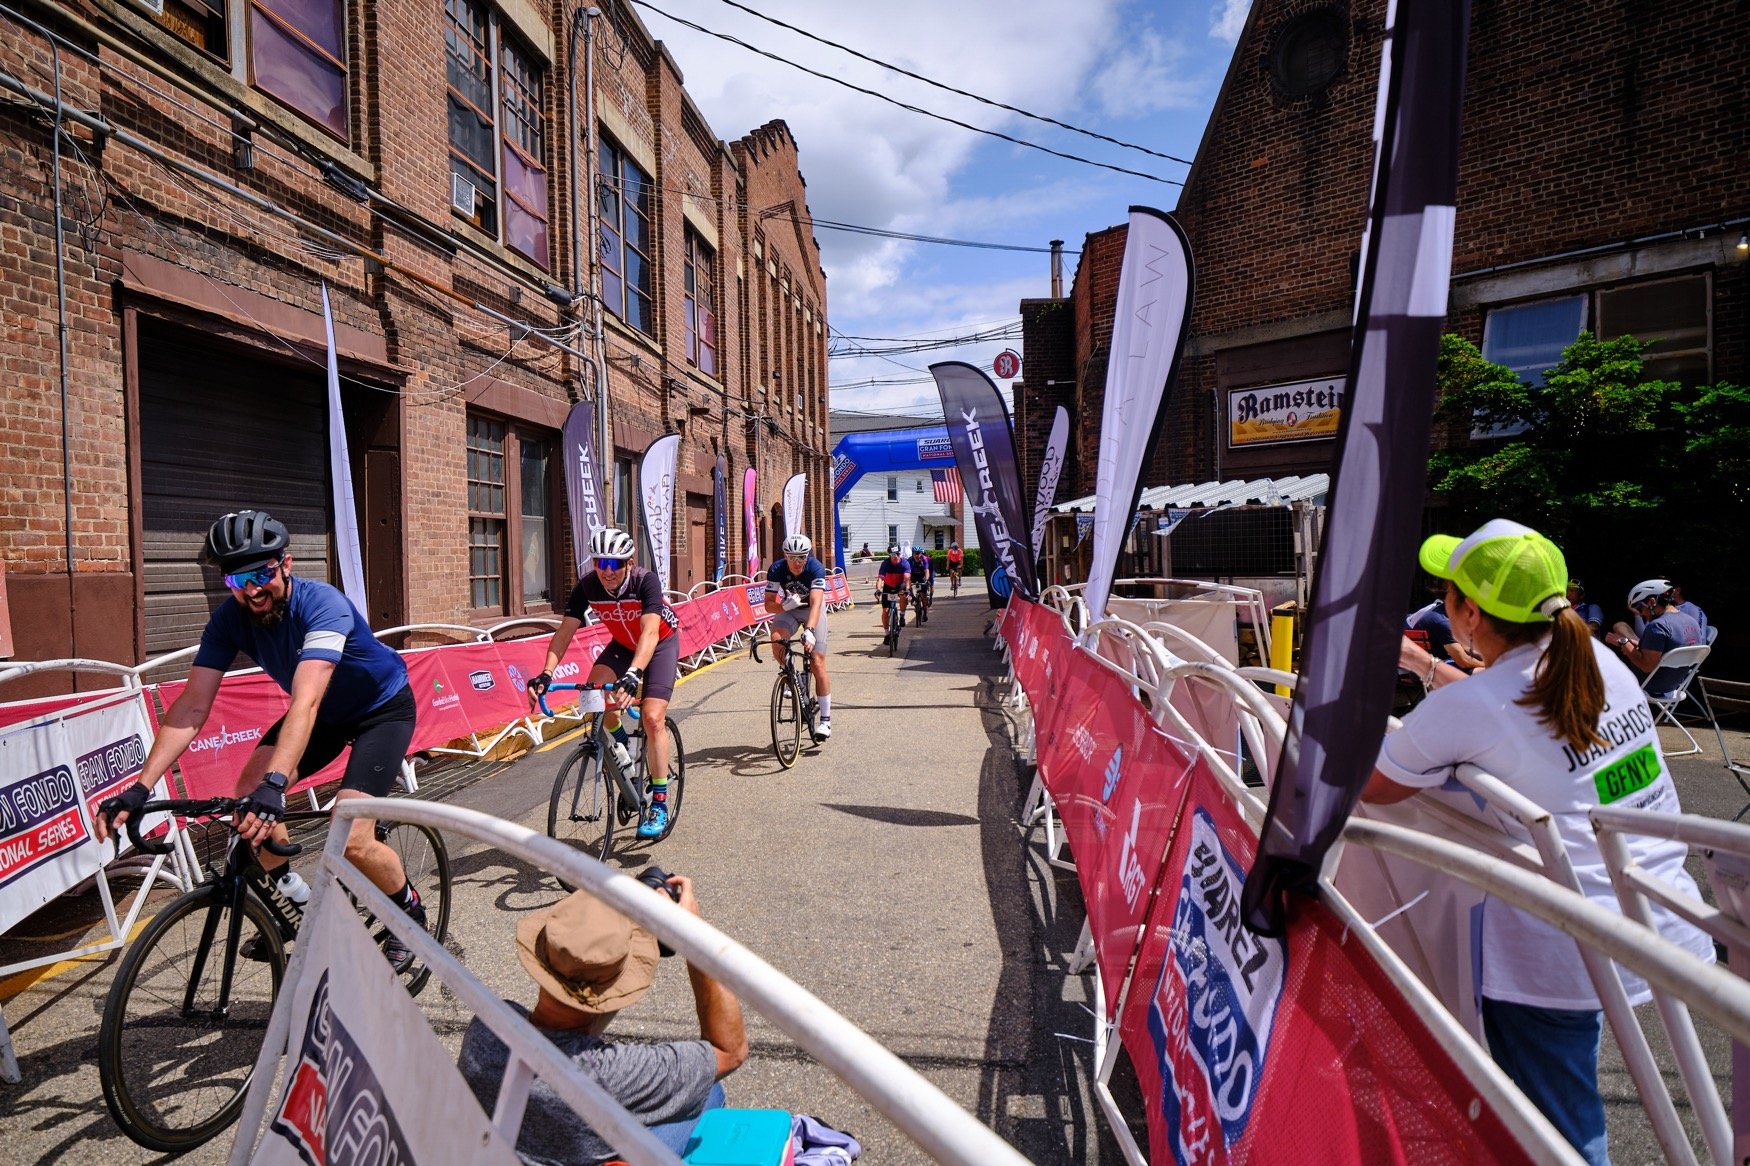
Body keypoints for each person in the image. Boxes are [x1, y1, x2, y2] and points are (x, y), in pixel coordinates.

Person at [1364, 519, 1714, 1166]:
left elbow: (1372, 786)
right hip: (1659, 912)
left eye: (1447, 591)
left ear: (1468, 610)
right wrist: (1428, 665)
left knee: (1555, 1130)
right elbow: (1503, 704)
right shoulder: (1595, 660)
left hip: (1560, 945)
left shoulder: (1478, 707)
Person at [94, 509, 427, 966]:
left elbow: (305, 701)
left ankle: (408, 913)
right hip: (323, 717)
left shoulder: (322, 604)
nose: (251, 589)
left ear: (285, 564)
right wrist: (139, 787)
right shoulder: (230, 620)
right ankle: (295, 905)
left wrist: (277, 784)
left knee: (350, 836)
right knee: (248, 796)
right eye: (236, 579)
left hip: (380, 712)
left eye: (261, 573)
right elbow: (192, 707)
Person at [458, 876, 747, 1164]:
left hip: (499, 1151)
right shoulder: (612, 1073)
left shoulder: (486, 1027)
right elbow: (728, 1051)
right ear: (612, 994)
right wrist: (695, 936)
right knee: (709, 1090)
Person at [531, 528, 681, 839]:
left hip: (660, 643)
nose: (606, 571)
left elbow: (650, 633)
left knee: (653, 718)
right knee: (592, 699)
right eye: (600, 562)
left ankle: (659, 805)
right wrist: (546, 673)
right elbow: (564, 632)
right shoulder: (587, 586)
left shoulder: (644, 581)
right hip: (623, 645)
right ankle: (623, 747)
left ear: (629, 562)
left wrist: (634, 674)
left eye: (614, 564)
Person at [765, 534, 833, 740]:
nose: (796, 562)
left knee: (817, 662)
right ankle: (791, 677)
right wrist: (783, 606)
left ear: (807, 556)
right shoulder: (776, 569)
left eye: (801, 557)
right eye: (792, 557)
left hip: (812, 611)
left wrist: (810, 630)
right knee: (776, 639)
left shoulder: (815, 568)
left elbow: (816, 603)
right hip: (790, 609)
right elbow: (768, 604)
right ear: (785, 556)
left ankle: (825, 721)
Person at [1605, 579, 1704, 697]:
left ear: (1652, 601)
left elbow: (1646, 666)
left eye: (1640, 608)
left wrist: (1623, 642)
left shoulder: (1658, 626)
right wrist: (1636, 644)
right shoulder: (1692, 622)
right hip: (1676, 685)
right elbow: (1667, 651)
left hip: (1651, 685)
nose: (1640, 614)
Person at [1406, 590, 1486, 672]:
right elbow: (1463, 661)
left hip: (1417, 668)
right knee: (1482, 671)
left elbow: (1463, 646)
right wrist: (1487, 664)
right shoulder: (1443, 622)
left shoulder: (1435, 609)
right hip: (1430, 672)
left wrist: (1487, 657)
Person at [874, 544, 911, 632]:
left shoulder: (904, 563)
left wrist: (908, 590)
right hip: (888, 586)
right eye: (893, 555)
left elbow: (907, 579)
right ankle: (887, 633)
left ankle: (902, 615)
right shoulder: (885, 564)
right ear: (890, 555)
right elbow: (880, 579)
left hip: (900, 585)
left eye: (898, 554)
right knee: (885, 612)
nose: (896, 557)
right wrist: (878, 590)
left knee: (903, 596)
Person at [908, 546, 934, 625]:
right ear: (912, 554)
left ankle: (925, 612)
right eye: (916, 554)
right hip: (913, 575)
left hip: (922, 576)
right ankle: (913, 597)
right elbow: (907, 573)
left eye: (919, 553)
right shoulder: (909, 560)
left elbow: (926, 570)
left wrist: (926, 580)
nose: (917, 555)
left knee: (923, 595)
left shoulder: (924, 559)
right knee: (910, 587)